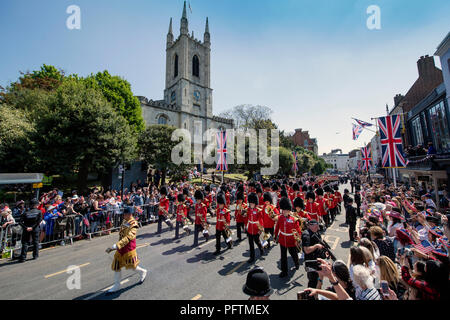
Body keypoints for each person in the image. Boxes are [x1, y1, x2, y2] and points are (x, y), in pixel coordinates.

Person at [105, 207, 147, 293]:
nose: (123, 215)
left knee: (132, 266)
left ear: (129, 214)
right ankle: (117, 285)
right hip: (121, 247)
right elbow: (121, 234)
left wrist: (117, 245)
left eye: (125, 214)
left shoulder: (134, 223)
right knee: (116, 265)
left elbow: (129, 237)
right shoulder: (124, 221)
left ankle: (143, 272)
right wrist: (117, 246)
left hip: (128, 248)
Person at [274, 197, 301, 278]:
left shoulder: (293, 219)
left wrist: (298, 239)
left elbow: (298, 230)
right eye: (283, 210)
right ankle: (284, 271)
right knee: (283, 256)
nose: (284, 211)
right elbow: (277, 227)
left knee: (293, 253)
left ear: (289, 210)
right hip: (282, 239)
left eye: (285, 210)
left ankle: (296, 263)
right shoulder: (280, 218)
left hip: (291, 240)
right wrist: (275, 236)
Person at [301, 219, 325, 290]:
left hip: (317, 260)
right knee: (313, 282)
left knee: (319, 280)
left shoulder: (315, 231)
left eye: (317, 226)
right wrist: (316, 246)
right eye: (315, 226)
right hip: (311, 262)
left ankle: (317, 293)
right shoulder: (306, 235)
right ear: (310, 226)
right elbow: (306, 250)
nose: (317, 228)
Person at [245, 192, 265, 263]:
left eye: (252, 203)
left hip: (256, 228)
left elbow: (261, 220)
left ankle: (261, 248)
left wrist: (261, 229)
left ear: (255, 203)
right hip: (250, 228)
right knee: (251, 244)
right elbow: (247, 218)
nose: (251, 205)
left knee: (257, 241)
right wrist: (245, 226)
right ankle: (252, 257)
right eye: (250, 203)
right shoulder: (248, 209)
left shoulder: (258, 210)